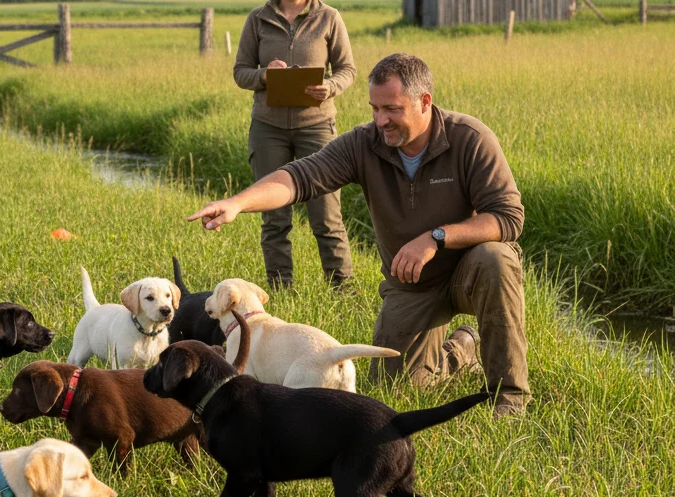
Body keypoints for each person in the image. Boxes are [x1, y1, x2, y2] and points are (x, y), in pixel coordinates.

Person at [190, 53, 530, 416]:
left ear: (424, 102)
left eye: (392, 109)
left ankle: (508, 398)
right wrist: (239, 203)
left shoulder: (470, 140)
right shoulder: (364, 144)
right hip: (411, 282)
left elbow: (508, 217)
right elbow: (299, 177)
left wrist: (435, 237)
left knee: (497, 258)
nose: (381, 120)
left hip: (468, 271)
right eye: (375, 108)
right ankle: (462, 349)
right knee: (395, 386)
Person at [233, 0, 356, 289]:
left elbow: (347, 69)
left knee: (326, 216)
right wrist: (265, 75)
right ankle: (280, 289)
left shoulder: (329, 17)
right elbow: (240, 72)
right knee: (274, 219)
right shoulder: (257, 19)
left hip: (317, 128)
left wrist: (330, 87)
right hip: (268, 130)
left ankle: (343, 291)